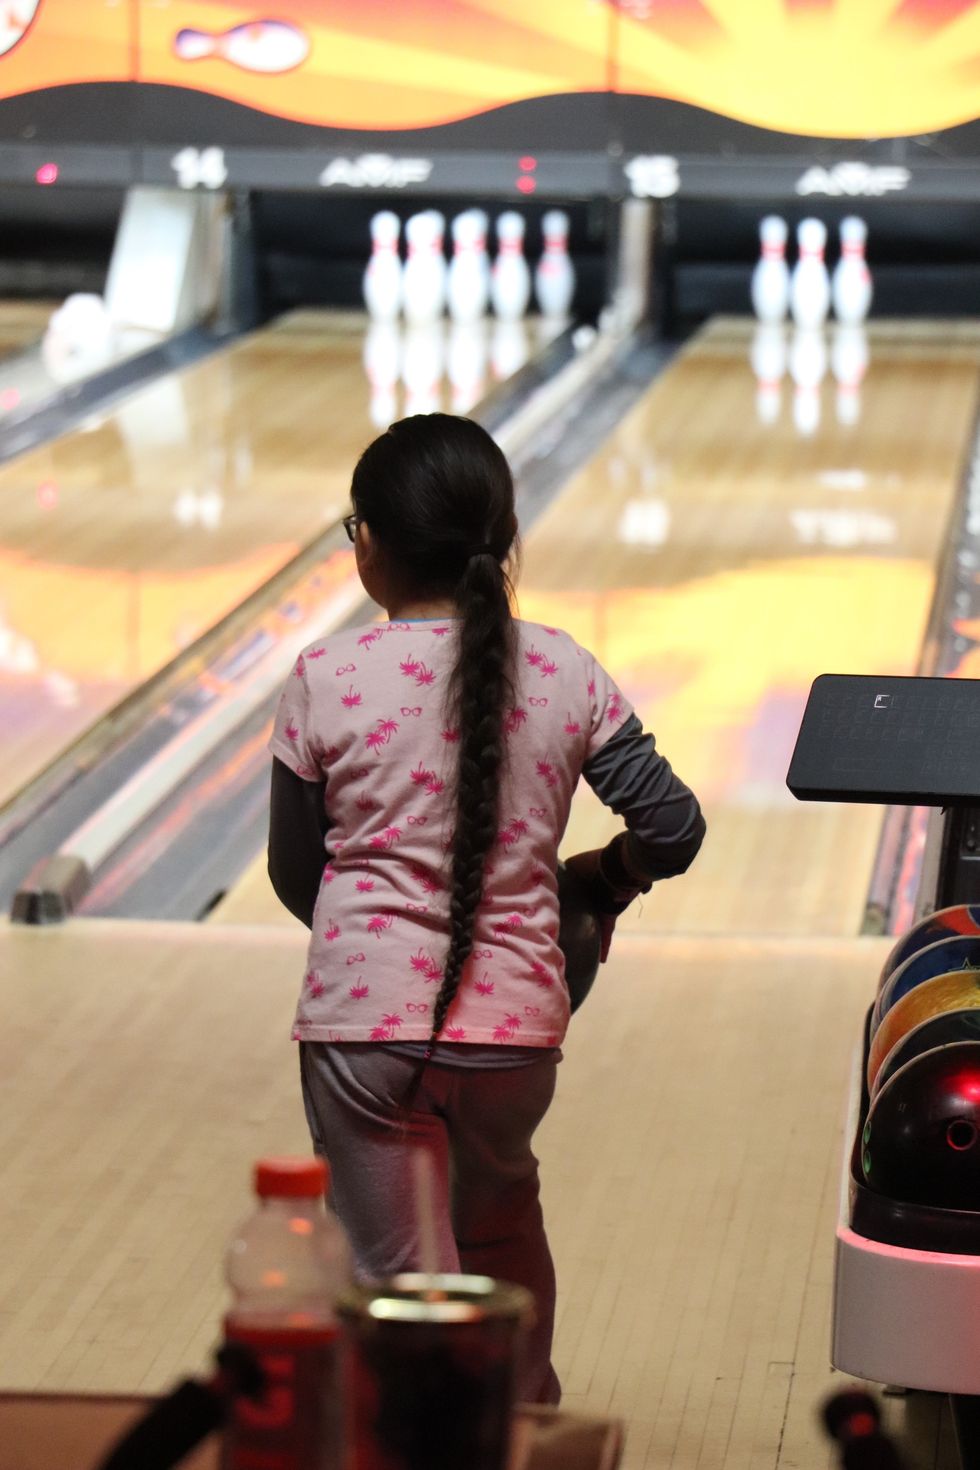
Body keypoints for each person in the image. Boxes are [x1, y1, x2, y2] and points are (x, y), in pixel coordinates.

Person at [267, 414, 705, 1404]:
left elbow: (298, 877)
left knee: (398, 1285)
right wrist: (602, 880)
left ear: (371, 545)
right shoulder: (564, 668)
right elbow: (673, 828)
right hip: (516, 1038)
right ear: (503, 544)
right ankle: (525, 1424)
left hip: (365, 1039)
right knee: (502, 1230)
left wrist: (377, 942)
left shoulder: (325, 677)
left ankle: (426, 1444)